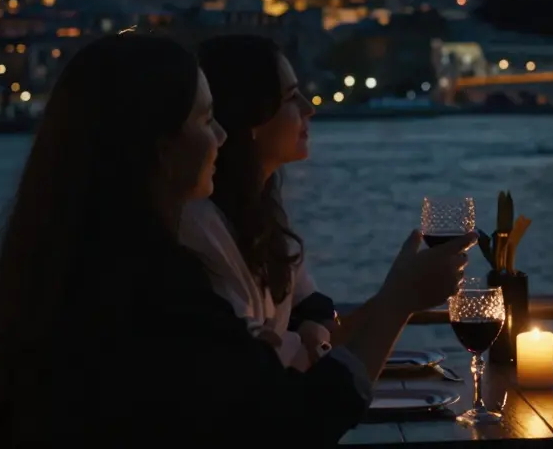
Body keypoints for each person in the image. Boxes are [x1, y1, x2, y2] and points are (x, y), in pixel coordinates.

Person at [0, 33, 470, 448]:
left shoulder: (83, 268)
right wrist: (400, 299)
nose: (221, 137)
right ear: (158, 148)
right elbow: (293, 423)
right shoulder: (158, 290)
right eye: (206, 121)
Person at [179, 33, 475, 384]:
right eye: (291, 97)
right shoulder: (201, 227)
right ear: (252, 117)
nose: (310, 107)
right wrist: (400, 298)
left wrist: (397, 293)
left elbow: (324, 327)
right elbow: (267, 384)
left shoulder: (264, 217)